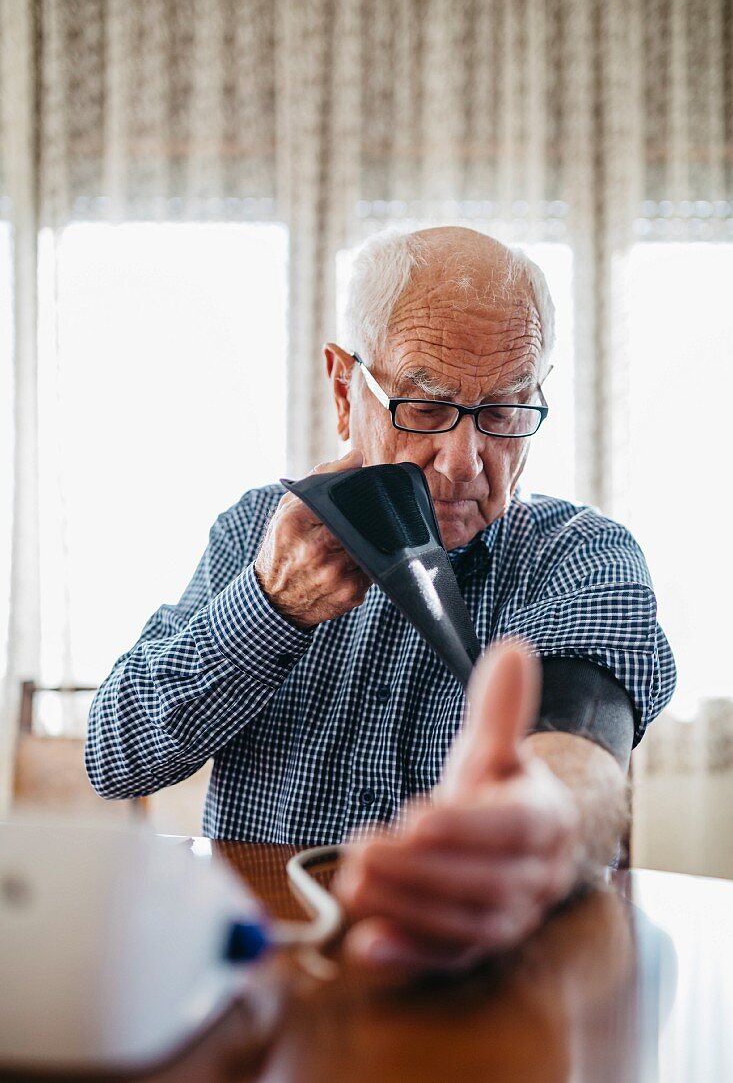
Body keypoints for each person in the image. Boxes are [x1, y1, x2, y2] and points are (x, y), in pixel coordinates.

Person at [86, 227, 675, 974]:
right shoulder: (252, 534)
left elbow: (581, 749)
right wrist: (267, 608)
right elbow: (115, 760)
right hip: (263, 977)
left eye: (502, 412)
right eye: (425, 408)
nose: (464, 462)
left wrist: (536, 820)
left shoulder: (579, 554)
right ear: (344, 389)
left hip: (485, 982)